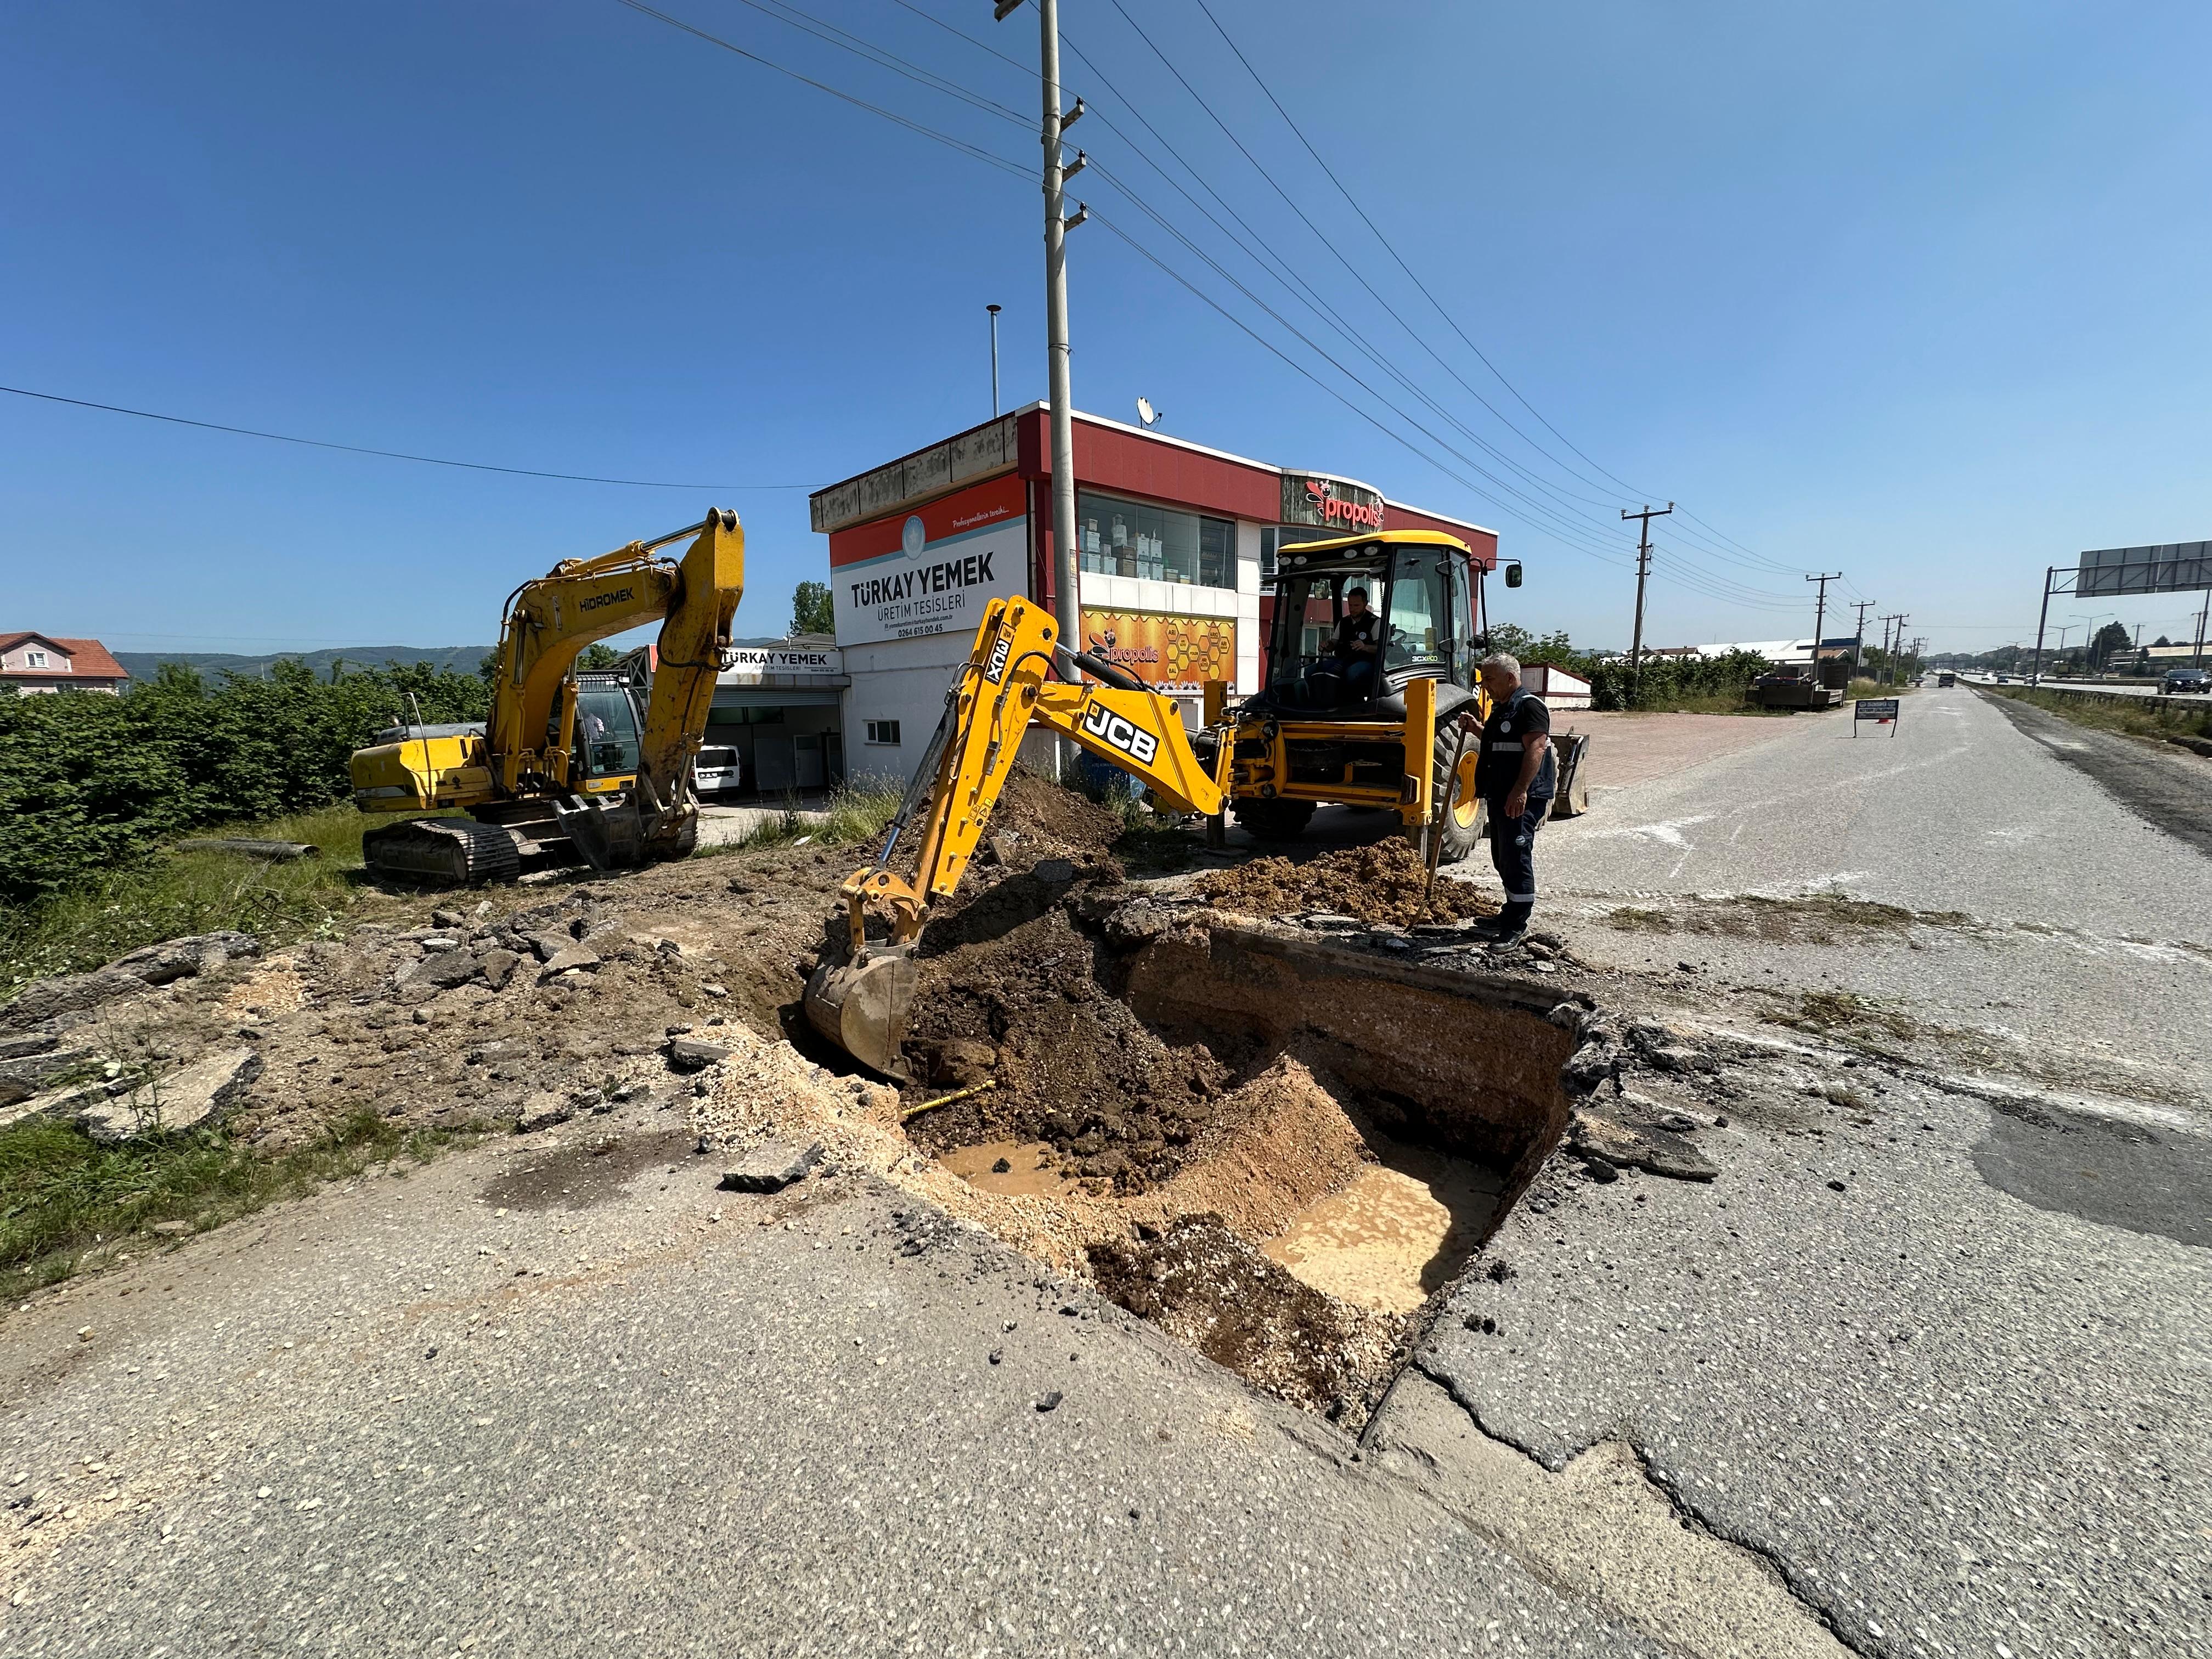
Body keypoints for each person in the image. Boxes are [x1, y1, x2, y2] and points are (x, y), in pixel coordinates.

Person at [1457, 652, 1553, 944]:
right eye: (1483, 678)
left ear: (1511, 678)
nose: (1484, 685)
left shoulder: (1530, 707)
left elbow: (1535, 749)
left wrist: (1520, 791)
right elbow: (1502, 742)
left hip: (1520, 797)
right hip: (1500, 795)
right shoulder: (1503, 708)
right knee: (1502, 857)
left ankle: (1516, 925)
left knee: (1516, 857)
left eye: (1489, 679)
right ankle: (1509, 912)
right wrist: (1477, 729)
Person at [1330, 586, 1381, 702]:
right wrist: (1326, 645)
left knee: (1352, 673)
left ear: (1365, 603)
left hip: (1366, 662)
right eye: (1350, 605)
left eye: (1356, 606)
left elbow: (1381, 649)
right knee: (1312, 671)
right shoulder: (1344, 622)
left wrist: (1365, 647)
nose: (1352, 609)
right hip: (1343, 660)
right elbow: (1333, 643)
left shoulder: (1375, 622)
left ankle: (1351, 704)